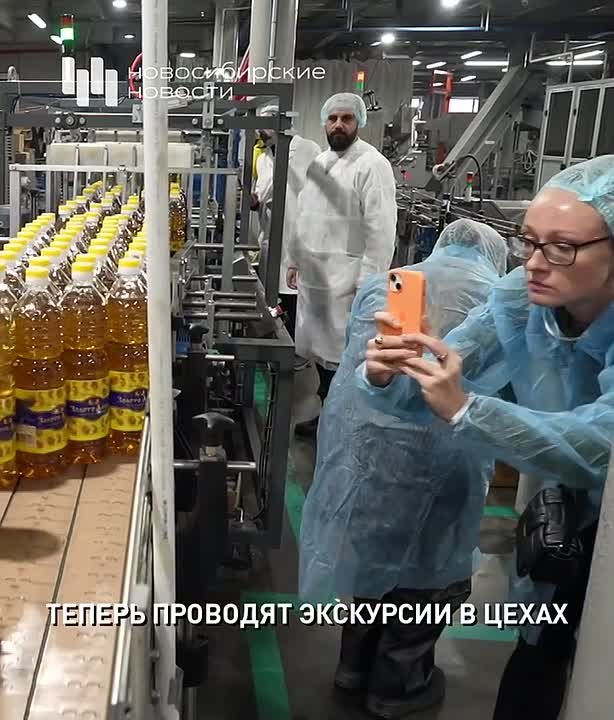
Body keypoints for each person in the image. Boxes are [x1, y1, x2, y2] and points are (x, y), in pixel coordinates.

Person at [356, 155, 614, 720]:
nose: (535, 263)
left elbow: (604, 444)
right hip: (566, 517)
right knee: (538, 660)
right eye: (529, 242)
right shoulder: (523, 300)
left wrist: (470, 411)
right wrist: (392, 372)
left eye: (561, 247)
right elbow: (450, 368)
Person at [299, 219, 508, 719]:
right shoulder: (500, 301)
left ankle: (353, 668)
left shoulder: (386, 285)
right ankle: (397, 688)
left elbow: (353, 377)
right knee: (428, 576)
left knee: (372, 561)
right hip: (448, 463)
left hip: (372, 459)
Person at [287, 92, 397, 419]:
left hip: (349, 281)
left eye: (346, 119)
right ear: (324, 121)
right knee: (319, 356)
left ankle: (341, 422)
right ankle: (326, 414)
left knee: (345, 358)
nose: (338, 125)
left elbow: (381, 230)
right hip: (315, 278)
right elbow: (304, 215)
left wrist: (369, 283)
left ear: (359, 122)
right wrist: (294, 259)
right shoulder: (319, 163)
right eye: (333, 118)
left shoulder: (373, 165)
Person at [251, 103, 321, 337]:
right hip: (272, 238)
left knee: (296, 301)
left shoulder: (308, 149)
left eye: (264, 126)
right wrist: (252, 201)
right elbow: (262, 196)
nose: (259, 132)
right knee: (273, 299)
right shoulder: (263, 158)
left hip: (298, 235)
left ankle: (296, 348)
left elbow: (318, 194)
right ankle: (279, 341)